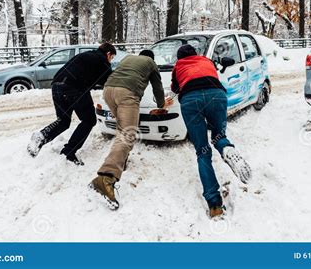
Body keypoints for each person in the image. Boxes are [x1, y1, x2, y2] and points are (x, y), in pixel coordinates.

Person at [170, 44, 251, 218]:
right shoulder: (206, 60)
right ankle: (226, 148)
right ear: (195, 54)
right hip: (216, 95)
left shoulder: (178, 66)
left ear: (179, 57)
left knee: (202, 152)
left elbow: (175, 88)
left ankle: (214, 204)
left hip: (191, 100)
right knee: (218, 135)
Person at [90, 49, 170, 210]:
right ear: (151, 58)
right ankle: (105, 178)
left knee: (122, 130)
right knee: (127, 135)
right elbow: (157, 87)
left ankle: (120, 162)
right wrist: (162, 104)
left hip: (108, 91)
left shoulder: (127, 58)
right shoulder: (151, 63)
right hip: (127, 94)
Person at [27, 42, 116, 165]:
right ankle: (69, 152)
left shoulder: (86, 55)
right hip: (74, 88)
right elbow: (109, 81)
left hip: (56, 86)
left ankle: (41, 136)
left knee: (64, 120)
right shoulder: (102, 61)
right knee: (89, 120)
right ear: (108, 54)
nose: (111, 61)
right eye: (112, 58)